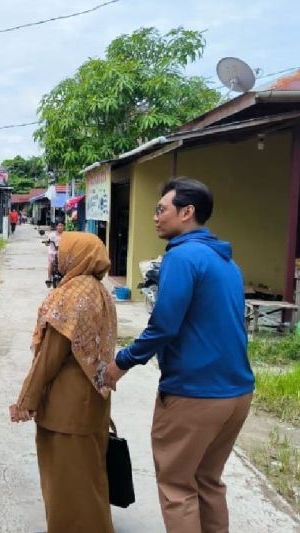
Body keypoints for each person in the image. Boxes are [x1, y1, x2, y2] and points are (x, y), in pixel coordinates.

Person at [103, 177, 254, 533]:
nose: (155, 217)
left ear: (187, 213)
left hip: (194, 394)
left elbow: (163, 325)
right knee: (208, 481)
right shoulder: (227, 262)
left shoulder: (182, 256)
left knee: (177, 487)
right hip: (237, 393)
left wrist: (122, 362)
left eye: (161, 209)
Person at [10, 231, 117, 532]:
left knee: (65, 486)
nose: (57, 256)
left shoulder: (71, 295)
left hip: (65, 408)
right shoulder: (99, 291)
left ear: (77, 255)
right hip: (93, 400)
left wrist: (26, 400)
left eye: (62, 250)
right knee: (90, 481)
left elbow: (50, 356)